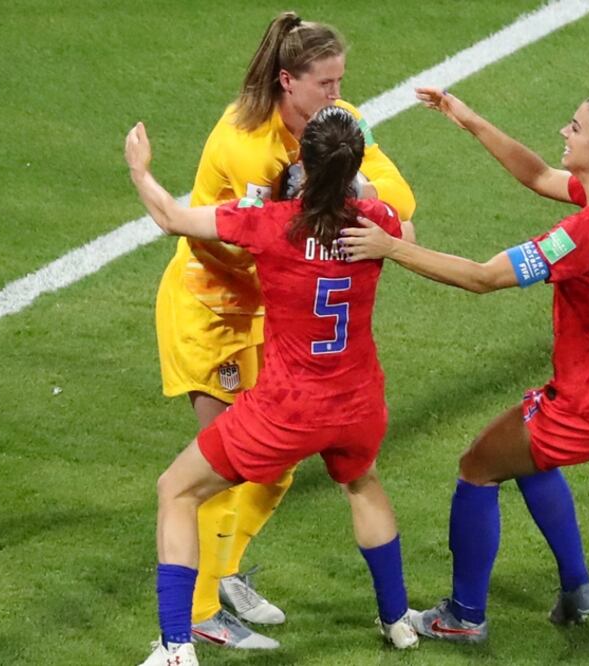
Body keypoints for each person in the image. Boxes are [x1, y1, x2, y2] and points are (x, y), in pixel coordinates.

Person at [341, 89, 589, 642]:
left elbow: (482, 277)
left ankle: (464, 617)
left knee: (478, 466)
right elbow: (539, 177)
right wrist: (470, 120)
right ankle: (577, 589)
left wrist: (389, 247)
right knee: (527, 456)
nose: (563, 133)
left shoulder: (587, 234)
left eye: (574, 128)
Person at [154, 12, 416, 648]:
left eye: (340, 82)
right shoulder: (247, 143)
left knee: (273, 468)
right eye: (325, 84)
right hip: (214, 309)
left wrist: (342, 198)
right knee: (219, 462)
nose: (338, 95)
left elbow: (399, 199)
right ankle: (200, 612)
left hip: (276, 308)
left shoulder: (337, 124)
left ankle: (225, 571)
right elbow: (229, 236)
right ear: (287, 82)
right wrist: (347, 210)